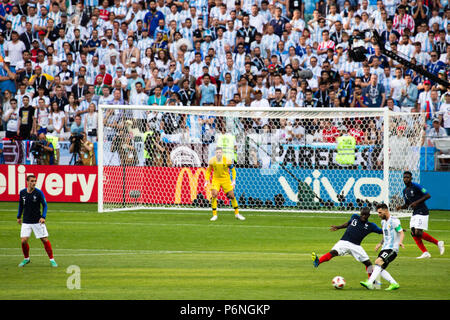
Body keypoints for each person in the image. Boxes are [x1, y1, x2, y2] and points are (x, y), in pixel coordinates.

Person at [312, 207, 383, 285]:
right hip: (344, 241)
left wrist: (390, 229)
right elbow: (348, 223)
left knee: (368, 263)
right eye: (362, 214)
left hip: (356, 246)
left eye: (365, 215)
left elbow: (382, 231)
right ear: (360, 213)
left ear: (369, 215)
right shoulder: (355, 217)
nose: (363, 216)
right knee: (333, 252)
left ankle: (372, 281)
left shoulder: (371, 226)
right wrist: (338, 227)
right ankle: (318, 262)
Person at [396, 171, 445, 258]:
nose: (406, 179)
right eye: (404, 177)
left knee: (418, 232)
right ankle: (425, 252)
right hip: (415, 212)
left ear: (411, 178)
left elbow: (428, 195)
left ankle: (438, 243)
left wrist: (416, 202)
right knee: (413, 233)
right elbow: (407, 204)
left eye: (408, 177)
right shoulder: (404, 191)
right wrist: (400, 207)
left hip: (422, 211)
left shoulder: (416, 186)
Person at [360, 203, 404, 291]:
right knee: (379, 268)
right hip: (385, 248)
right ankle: (394, 284)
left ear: (386, 210)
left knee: (378, 262)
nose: (379, 215)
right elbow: (385, 234)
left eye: (380, 212)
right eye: (378, 213)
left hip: (392, 249)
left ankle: (369, 283)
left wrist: (400, 242)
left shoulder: (394, 221)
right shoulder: (383, 222)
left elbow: (401, 232)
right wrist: (380, 243)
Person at [17, 175, 57, 268]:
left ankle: (52, 260)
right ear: (27, 182)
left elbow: (45, 205)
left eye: (35, 181)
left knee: (44, 240)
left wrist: (43, 217)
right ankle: (26, 259)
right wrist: (19, 216)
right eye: (32, 181)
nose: (34, 183)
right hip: (26, 221)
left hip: (37, 221)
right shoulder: (22, 192)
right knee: (23, 241)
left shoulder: (39, 193)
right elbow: (21, 205)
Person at [205, 147, 245, 222]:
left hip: (226, 180)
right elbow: (208, 171)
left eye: (220, 152)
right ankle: (214, 215)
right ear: (215, 153)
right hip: (216, 180)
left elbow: (233, 170)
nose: (218, 154)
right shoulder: (212, 161)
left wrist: (233, 180)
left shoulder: (227, 161)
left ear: (222, 153)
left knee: (232, 196)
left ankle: (237, 214)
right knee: (214, 194)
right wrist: (207, 180)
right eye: (217, 152)